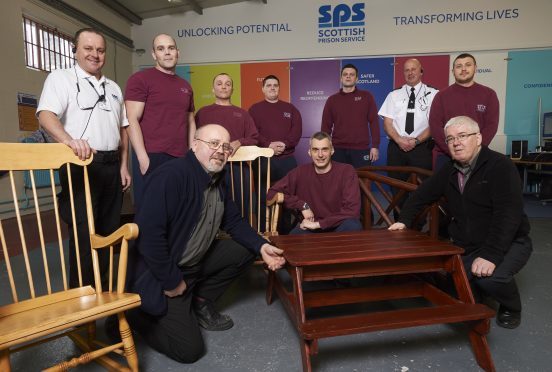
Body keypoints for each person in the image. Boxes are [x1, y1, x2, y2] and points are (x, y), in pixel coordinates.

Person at [125, 124, 285, 363]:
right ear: (194, 144)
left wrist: (261, 245)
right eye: (213, 144)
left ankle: (200, 300)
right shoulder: (171, 176)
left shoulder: (217, 178)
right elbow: (149, 237)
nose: (220, 151)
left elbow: (233, 221)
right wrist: (171, 281)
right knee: (189, 350)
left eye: (225, 147)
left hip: (195, 263)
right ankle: (133, 316)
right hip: (166, 272)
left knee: (244, 249)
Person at [389, 116, 532, 329]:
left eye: (463, 136)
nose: (456, 142)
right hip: (471, 244)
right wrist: (404, 221)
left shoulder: (500, 166)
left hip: (510, 241)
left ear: (479, 138)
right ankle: (479, 294)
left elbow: (508, 216)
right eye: (450, 139)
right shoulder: (450, 169)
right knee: (455, 290)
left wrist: (490, 256)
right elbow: (422, 195)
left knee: (490, 278)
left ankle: (511, 306)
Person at [37, 28, 130, 288]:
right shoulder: (61, 78)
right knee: (83, 234)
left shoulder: (113, 87)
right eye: (88, 48)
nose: (95, 54)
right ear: (75, 50)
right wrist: (69, 140)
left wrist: (124, 166)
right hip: (81, 165)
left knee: (109, 231)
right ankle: (83, 304)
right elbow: (46, 115)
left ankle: (106, 293)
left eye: (100, 50)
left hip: (112, 167)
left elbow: (123, 130)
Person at [125, 33, 196, 210]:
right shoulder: (140, 79)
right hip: (153, 155)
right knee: (151, 213)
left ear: (177, 52)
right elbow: (131, 119)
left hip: (181, 157)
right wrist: (142, 158)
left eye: (171, 48)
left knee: (178, 211)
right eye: (161, 48)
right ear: (153, 54)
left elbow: (190, 120)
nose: (167, 53)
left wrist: (191, 153)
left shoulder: (185, 86)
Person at [267, 131, 362, 234]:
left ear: (332, 151)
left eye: (324, 149)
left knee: (353, 226)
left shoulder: (346, 171)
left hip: (338, 225)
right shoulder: (300, 172)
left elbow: (352, 211)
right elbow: (271, 193)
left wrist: (319, 224)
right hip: (310, 228)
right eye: (315, 150)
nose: (320, 155)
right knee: (294, 236)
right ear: (309, 152)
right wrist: (302, 205)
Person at [379, 59, 438, 214]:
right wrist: (399, 140)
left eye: (413, 69)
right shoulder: (394, 95)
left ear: (421, 71)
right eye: (406, 70)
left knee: (422, 187)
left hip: (421, 148)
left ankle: (419, 224)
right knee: (396, 187)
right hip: (396, 148)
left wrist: (416, 140)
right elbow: (387, 123)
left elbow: (434, 124)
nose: (410, 73)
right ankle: (399, 222)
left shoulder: (434, 94)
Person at [429, 53, 499, 169]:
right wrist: (453, 150)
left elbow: (491, 126)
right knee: (443, 187)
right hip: (447, 156)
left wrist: (474, 151)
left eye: (468, 65)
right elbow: (435, 127)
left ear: (475, 68)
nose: (463, 69)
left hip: (477, 156)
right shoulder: (441, 96)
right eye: (459, 66)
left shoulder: (489, 94)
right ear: (453, 71)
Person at [321, 63, 380, 168]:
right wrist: (325, 148)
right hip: (337, 150)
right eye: (345, 74)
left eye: (351, 74)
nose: (348, 76)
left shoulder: (367, 97)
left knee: (362, 183)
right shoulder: (332, 100)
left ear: (356, 79)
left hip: (361, 150)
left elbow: (374, 122)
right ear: (341, 78)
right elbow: (325, 127)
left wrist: (375, 146)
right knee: (338, 183)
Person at [248, 74, 302, 181]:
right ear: (263, 89)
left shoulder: (290, 108)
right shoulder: (254, 109)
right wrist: (268, 145)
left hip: (287, 159)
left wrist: (285, 144)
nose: (272, 88)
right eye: (268, 85)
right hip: (263, 159)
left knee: (289, 194)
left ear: (279, 88)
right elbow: (252, 132)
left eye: (275, 85)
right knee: (263, 195)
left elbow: (297, 130)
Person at [195, 73, 258, 153]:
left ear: (232, 90)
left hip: (236, 162)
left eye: (228, 84)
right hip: (208, 163)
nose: (224, 87)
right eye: (219, 84)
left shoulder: (243, 114)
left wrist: (240, 142)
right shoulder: (202, 112)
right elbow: (194, 138)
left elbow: (254, 139)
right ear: (213, 89)